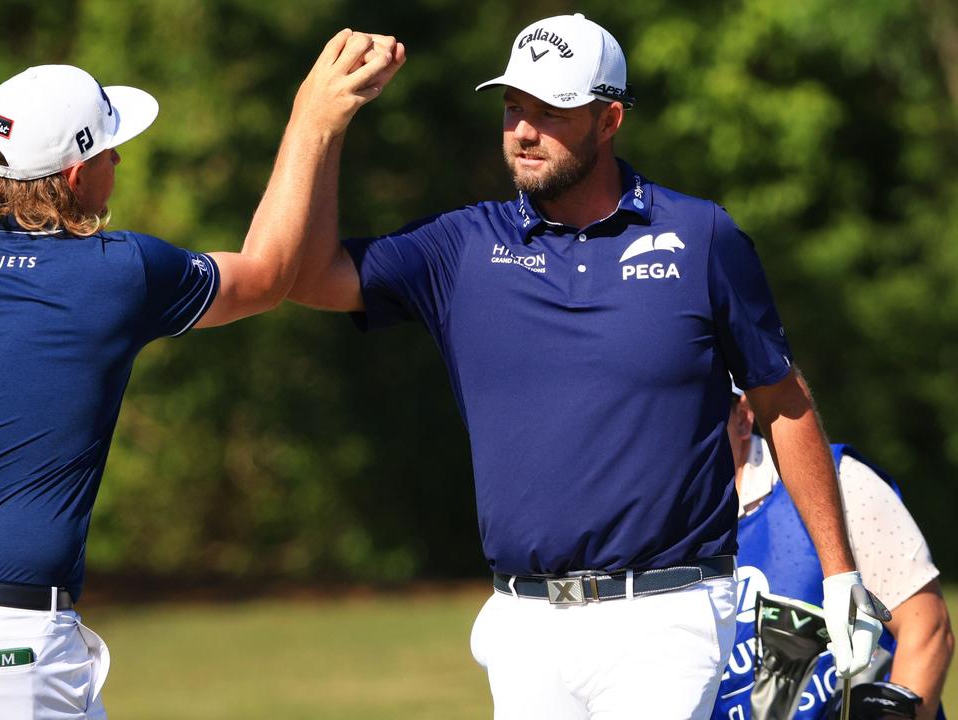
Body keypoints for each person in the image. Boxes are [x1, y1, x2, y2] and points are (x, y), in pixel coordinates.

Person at [287, 12, 883, 719]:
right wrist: (318, 123)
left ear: (610, 119)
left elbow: (782, 401)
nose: (523, 130)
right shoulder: (462, 249)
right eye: (513, 107)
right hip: (524, 622)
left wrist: (839, 572)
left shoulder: (700, 237)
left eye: (551, 111)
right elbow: (306, 275)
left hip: (668, 612)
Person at [0, 32, 405, 720]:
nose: (118, 159)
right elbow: (271, 275)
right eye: (106, 149)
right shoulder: (117, 272)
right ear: (72, 175)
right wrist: (313, 117)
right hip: (3, 645)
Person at [715, 388, 953, 720]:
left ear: (742, 418)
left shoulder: (840, 481)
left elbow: (927, 630)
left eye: (695, 406)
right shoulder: (643, 528)